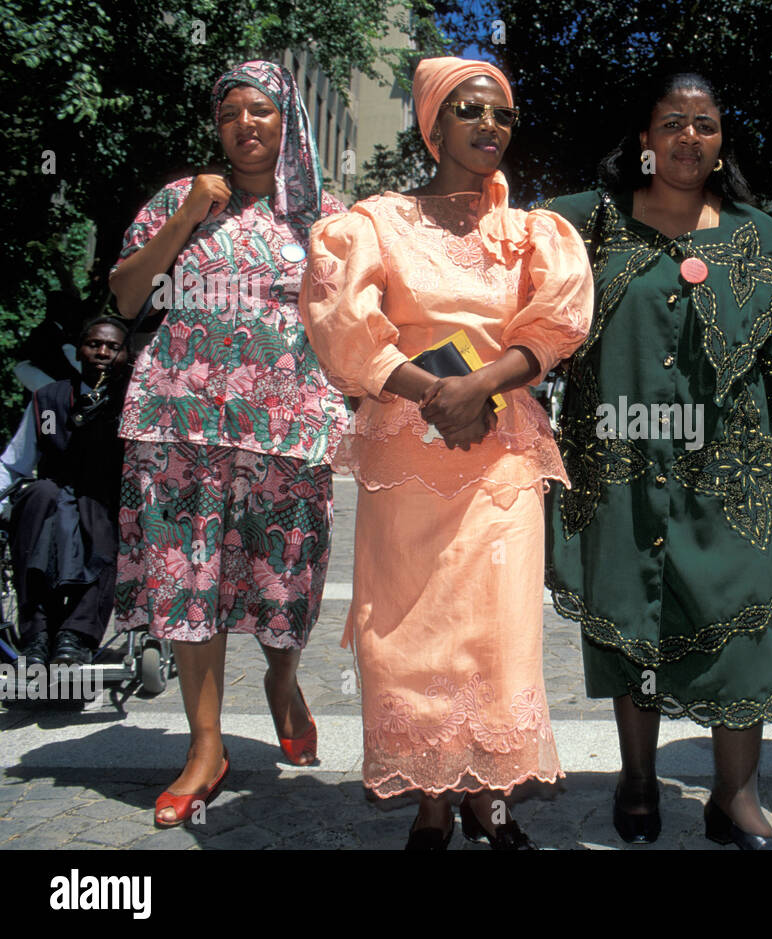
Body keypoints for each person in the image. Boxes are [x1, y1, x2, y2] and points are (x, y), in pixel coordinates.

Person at [301, 56, 593, 850]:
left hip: (499, 452)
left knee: (495, 632)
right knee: (409, 627)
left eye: (501, 113)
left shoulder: (532, 231)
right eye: (469, 109)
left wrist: (480, 386)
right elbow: (340, 323)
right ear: (434, 124)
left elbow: (557, 323)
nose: (489, 125)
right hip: (408, 448)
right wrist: (434, 391)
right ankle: (432, 800)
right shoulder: (373, 224)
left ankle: (490, 798)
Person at [541, 71, 772, 850]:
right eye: (672, 123)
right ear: (645, 140)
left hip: (728, 478)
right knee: (633, 629)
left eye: (705, 123)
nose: (689, 137)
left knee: (741, 629)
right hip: (618, 472)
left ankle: (737, 797)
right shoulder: (579, 229)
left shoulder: (767, 244)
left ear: (722, 140)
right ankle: (636, 777)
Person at [107, 60, 347, 827]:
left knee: (285, 581)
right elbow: (125, 294)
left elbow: (354, 319)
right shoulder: (182, 199)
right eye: (231, 114)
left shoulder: (327, 216)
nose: (246, 125)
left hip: (286, 427)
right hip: (179, 421)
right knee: (189, 583)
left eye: (263, 112)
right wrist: (187, 218)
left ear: (289, 123)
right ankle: (205, 747)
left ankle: (282, 682)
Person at [0, 317, 129, 675]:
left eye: (113, 346)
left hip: (104, 496)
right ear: (78, 351)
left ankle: (75, 637)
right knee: (39, 497)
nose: (102, 352)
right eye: (94, 344)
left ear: (126, 354)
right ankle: (38, 638)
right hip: (54, 492)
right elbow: (15, 463)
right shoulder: (49, 400)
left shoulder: (134, 403)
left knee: (100, 512)